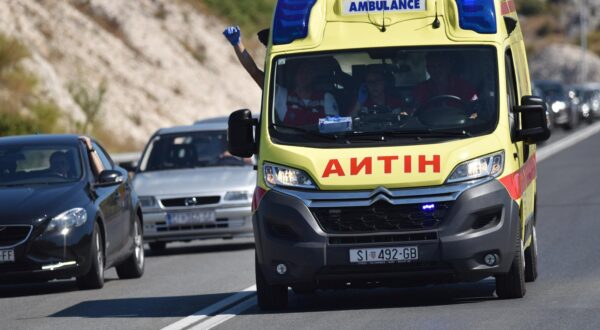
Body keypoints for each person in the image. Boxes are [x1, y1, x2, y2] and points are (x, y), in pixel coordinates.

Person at [223, 26, 339, 126]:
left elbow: (334, 128)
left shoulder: (326, 98)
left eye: (309, 72)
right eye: (301, 71)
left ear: (314, 76)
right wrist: (237, 44)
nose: (304, 75)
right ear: (295, 75)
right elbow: (254, 72)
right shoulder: (281, 96)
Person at [413, 52, 478, 117]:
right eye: (432, 66)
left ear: (448, 66)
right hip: (430, 125)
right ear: (427, 69)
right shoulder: (421, 88)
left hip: (461, 124)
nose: (436, 70)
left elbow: (475, 108)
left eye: (440, 65)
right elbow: (416, 111)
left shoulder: (464, 86)